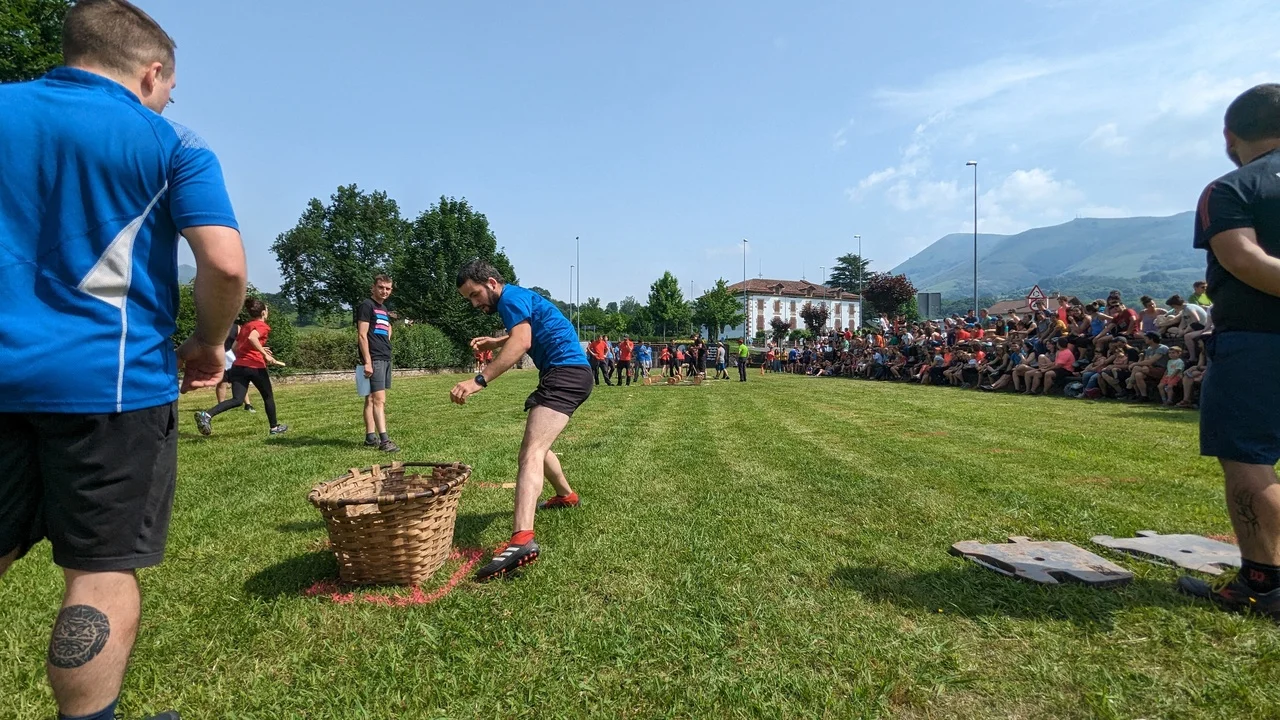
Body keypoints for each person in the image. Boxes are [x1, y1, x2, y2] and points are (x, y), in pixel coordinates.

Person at [0, 3, 247, 719]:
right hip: (109, 388)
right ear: (151, 73)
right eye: (170, 89)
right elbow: (225, 264)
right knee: (99, 573)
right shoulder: (171, 142)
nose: (168, 100)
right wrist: (208, 344)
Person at [1178, 84, 1280, 617]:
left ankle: (1263, 583)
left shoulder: (1231, 187)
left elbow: (1244, 261)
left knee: (1248, 458)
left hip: (1259, 339)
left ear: (1229, 136)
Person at [452, 260, 592, 582]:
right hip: (569, 373)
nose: (474, 303)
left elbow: (522, 341)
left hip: (565, 374)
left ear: (491, 283)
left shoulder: (510, 299)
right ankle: (566, 496)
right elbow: (530, 328)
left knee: (530, 453)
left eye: (475, 295)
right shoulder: (517, 297)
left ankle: (522, 539)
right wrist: (497, 341)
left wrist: (479, 380)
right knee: (538, 446)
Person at [195, 299, 288, 436]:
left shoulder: (245, 326)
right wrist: (264, 355)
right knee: (268, 396)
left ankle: (207, 415)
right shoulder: (262, 326)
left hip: (238, 366)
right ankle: (274, 428)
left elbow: (235, 348)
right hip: (255, 367)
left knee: (237, 400)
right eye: (267, 310)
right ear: (263, 313)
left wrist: (257, 350)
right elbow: (252, 338)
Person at [356, 275, 399, 452]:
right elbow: (362, 335)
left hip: (384, 356)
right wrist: (368, 361)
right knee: (379, 400)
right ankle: (384, 441)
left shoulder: (383, 308)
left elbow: (387, 327)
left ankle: (370, 438)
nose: (384, 291)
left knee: (370, 398)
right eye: (381, 287)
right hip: (374, 358)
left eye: (388, 288)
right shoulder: (367, 306)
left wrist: (386, 340)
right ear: (373, 288)